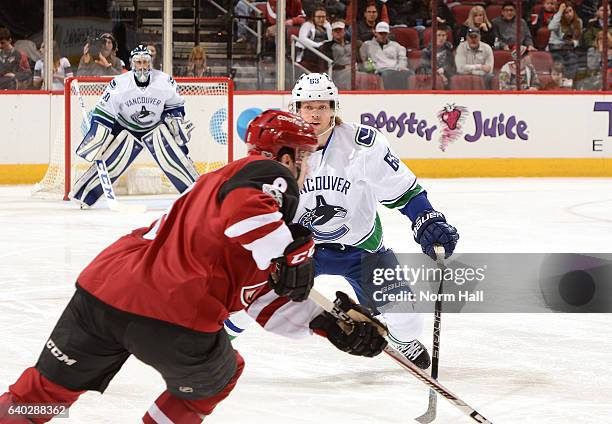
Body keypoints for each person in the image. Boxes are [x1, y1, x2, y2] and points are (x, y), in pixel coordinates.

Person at [0, 108, 388, 423]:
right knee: (218, 378)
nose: (304, 169)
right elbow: (247, 212)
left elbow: (261, 296)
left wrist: (327, 324)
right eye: (302, 158)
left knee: (39, 397)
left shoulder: (209, 189)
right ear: (286, 156)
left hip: (103, 294)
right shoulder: (266, 175)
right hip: (176, 311)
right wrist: (288, 251)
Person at [225, 73, 460, 369]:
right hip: (302, 250)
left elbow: (403, 191)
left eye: (322, 106)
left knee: (409, 323)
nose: (314, 113)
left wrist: (425, 219)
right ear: (295, 109)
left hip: (363, 250)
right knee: (250, 293)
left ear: (334, 107)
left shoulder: (364, 144)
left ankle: (401, 340)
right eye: (307, 106)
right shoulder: (279, 150)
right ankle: (216, 344)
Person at [69, 45, 199, 208]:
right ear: (132, 64)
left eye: (145, 62)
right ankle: (84, 195)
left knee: (176, 157)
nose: (142, 66)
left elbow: (175, 106)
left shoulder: (165, 81)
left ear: (151, 63)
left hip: (155, 126)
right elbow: (104, 113)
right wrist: (98, 137)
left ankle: (197, 195)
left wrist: (175, 122)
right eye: (139, 62)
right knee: (112, 162)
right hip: (125, 126)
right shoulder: (120, 84)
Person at [359, 21, 413, 90]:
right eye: (380, 33)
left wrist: (401, 67)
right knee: (387, 75)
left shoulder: (396, 45)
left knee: (410, 73)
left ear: (388, 34)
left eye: (385, 33)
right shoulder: (367, 45)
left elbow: (402, 58)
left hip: (396, 70)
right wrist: (372, 69)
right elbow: (366, 60)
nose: (383, 36)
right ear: (375, 33)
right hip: (380, 71)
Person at [547, 1, 582, 80]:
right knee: (560, 63)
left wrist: (573, 43)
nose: (569, 14)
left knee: (573, 59)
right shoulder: (557, 22)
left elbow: (578, 39)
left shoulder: (578, 22)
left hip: (569, 49)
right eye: (566, 12)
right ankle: (561, 81)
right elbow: (551, 27)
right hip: (555, 48)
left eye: (570, 11)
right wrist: (560, 11)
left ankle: (568, 81)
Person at [297, 5, 332, 72]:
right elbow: (302, 39)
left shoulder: (327, 25)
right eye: (318, 17)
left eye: (323, 17)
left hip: (323, 50)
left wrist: (329, 28)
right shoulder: (307, 25)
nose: (321, 19)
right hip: (309, 50)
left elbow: (331, 39)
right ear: (313, 17)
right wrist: (318, 45)